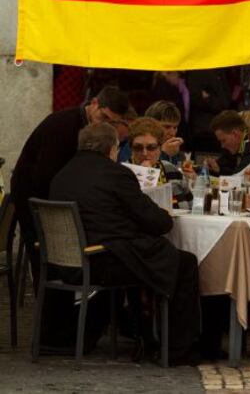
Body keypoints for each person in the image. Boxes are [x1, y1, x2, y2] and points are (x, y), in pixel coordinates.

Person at [50, 123, 200, 364]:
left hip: (67, 261)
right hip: (101, 260)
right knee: (184, 263)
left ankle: (146, 335)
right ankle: (175, 350)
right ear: (112, 149)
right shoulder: (115, 173)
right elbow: (157, 223)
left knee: (147, 255)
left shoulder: (63, 173)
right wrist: (163, 214)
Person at [11, 85, 132, 286]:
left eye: (111, 122)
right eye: (103, 117)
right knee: (48, 259)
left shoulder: (89, 128)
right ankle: (53, 304)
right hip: (34, 196)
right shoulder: (63, 125)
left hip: (57, 198)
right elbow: (44, 177)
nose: (103, 124)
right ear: (93, 104)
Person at [127, 117, 192, 209]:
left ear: (160, 147)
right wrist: (145, 174)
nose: (145, 153)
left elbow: (191, 205)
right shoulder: (124, 173)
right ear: (131, 149)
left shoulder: (170, 169)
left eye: (151, 147)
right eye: (138, 148)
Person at [206, 110, 250, 175]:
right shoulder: (235, 146)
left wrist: (219, 170)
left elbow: (238, 176)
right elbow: (222, 166)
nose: (222, 145)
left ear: (235, 134)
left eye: (223, 141)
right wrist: (215, 168)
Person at [145, 101, 184, 166]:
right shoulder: (136, 145)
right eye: (167, 127)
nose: (172, 133)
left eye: (175, 127)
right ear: (151, 125)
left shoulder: (174, 150)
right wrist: (163, 153)